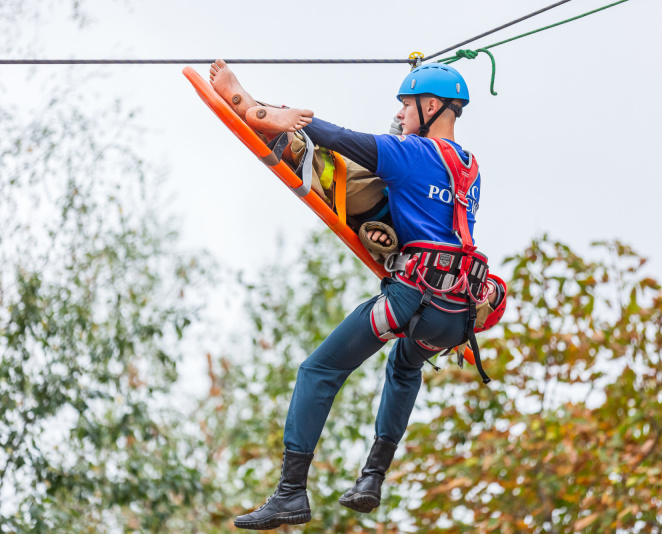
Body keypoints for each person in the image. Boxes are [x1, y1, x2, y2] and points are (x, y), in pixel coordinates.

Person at [208, 59, 506, 530]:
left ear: (431, 106)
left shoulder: (408, 155)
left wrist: (265, 107)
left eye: (407, 107)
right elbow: (417, 176)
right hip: (455, 317)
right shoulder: (471, 169)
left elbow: (341, 138)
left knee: (319, 370)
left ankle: (290, 494)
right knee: (405, 367)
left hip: (411, 297)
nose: (403, 115)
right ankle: (372, 479)